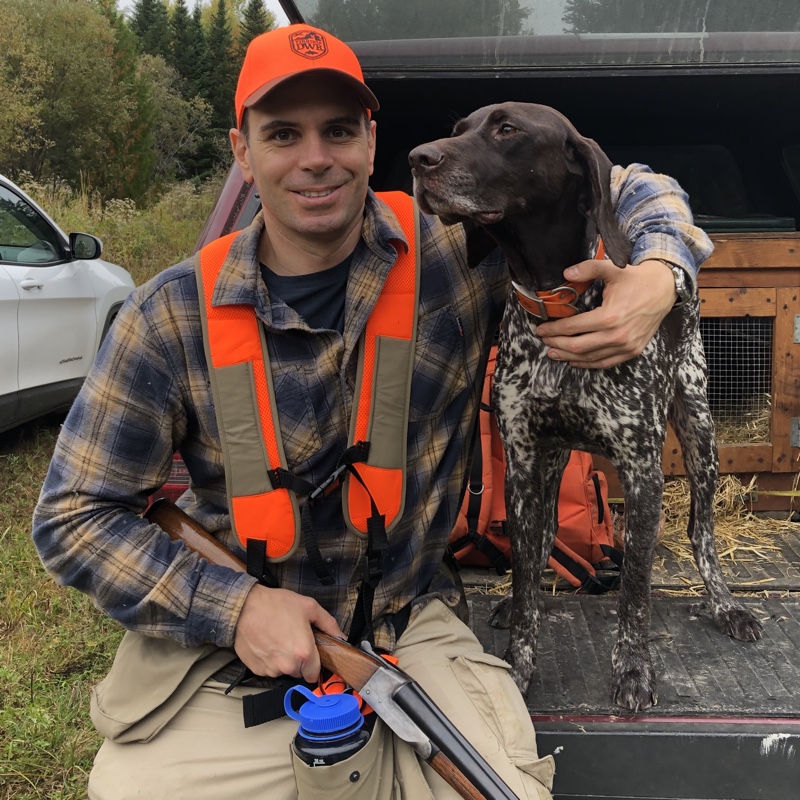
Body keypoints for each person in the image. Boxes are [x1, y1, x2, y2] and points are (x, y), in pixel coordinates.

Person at [32, 23, 713, 800]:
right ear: (242, 152)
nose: (315, 157)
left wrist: (662, 270)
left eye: (339, 131)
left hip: (407, 628)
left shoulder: (458, 257)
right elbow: (74, 516)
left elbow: (625, 180)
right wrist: (235, 605)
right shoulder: (167, 317)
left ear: (370, 142)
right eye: (283, 134)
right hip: (230, 653)